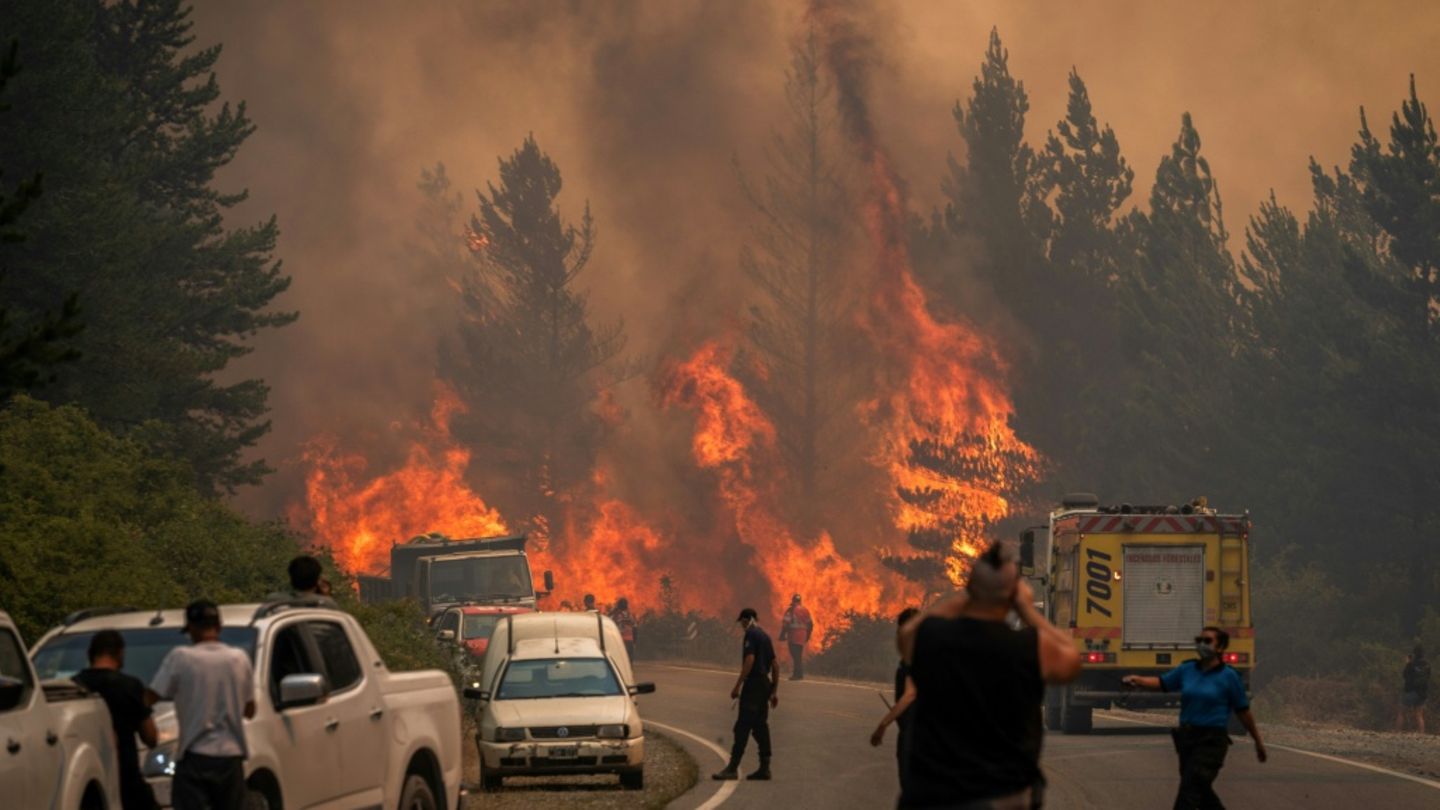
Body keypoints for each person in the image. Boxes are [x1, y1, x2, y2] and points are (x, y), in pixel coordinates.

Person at [898, 541, 1081, 809]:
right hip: (1001, 797)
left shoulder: (933, 639)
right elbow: (1071, 659)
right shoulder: (1028, 648)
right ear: (1014, 594)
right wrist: (1028, 610)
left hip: (933, 796)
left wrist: (966, 596)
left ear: (971, 588)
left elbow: (906, 636)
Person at [1123, 627, 1267, 809]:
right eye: (1200, 640)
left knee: (1190, 790)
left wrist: (1258, 742)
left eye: (1207, 641)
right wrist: (1139, 680)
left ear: (1220, 647)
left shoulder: (1229, 677)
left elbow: (1243, 711)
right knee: (1200, 788)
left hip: (1212, 741)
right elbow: (1163, 683)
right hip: (1187, 739)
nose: (1201, 644)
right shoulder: (1187, 669)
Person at [147, 600, 257, 810]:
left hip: (195, 756)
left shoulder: (180, 658)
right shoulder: (239, 659)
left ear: (192, 629)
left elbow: (151, 697)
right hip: (231, 759)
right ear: (219, 626)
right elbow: (250, 711)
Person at [74, 630, 159, 810]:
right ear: (120, 653)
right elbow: (151, 737)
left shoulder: (75, 687)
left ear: (90, 655)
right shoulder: (130, 686)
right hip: (127, 781)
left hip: (86, 783)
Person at [713, 607, 779, 781]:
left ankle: (732, 768)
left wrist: (737, 685)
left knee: (742, 727)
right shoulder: (765, 636)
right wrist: (773, 691)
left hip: (754, 685)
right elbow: (776, 665)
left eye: (742, 622)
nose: (742, 626)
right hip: (764, 685)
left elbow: (750, 660)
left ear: (746, 620)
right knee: (760, 727)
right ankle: (765, 768)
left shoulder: (751, 635)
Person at [870, 607, 919, 790]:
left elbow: (910, 694)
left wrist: (883, 724)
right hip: (923, 732)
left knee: (910, 787)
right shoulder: (929, 652)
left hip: (914, 734)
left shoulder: (914, 656)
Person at [266, 554, 336, 605]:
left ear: (291, 577)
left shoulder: (274, 601)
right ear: (316, 581)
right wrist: (325, 595)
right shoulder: (326, 604)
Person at [779, 594, 815, 681]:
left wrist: (782, 635)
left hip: (793, 636)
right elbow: (810, 624)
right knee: (798, 655)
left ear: (793, 601)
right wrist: (808, 635)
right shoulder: (805, 610)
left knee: (795, 655)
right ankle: (799, 674)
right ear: (800, 601)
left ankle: (796, 675)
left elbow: (786, 624)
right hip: (802, 636)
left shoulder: (791, 610)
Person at [1397, 645, 1430, 733]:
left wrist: (1407, 663)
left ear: (1414, 653)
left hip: (1411, 692)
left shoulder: (1411, 664)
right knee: (1419, 714)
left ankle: (1397, 732)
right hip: (1423, 693)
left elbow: (1404, 675)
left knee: (1401, 712)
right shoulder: (1427, 665)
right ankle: (1421, 734)